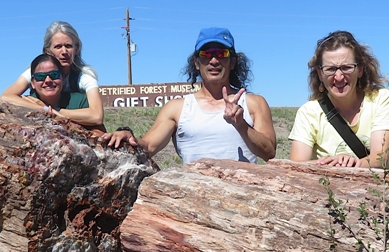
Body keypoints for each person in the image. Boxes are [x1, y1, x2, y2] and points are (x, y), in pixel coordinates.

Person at [101, 27, 276, 164]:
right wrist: (127, 136)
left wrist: (241, 124)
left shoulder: (254, 103)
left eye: (221, 54)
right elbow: (148, 147)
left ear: (232, 62)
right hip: (191, 203)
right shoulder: (177, 108)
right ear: (197, 63)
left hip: (243, 203)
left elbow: (269, 152)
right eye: (206, 54)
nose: (213, 60)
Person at [289, 31, 389, 168]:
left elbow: (380, 158)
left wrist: (355, 164)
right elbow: (296, 165)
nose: (338, 76)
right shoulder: (308, 112)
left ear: (360, 70)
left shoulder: (381, 99)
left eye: (346, 68)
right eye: (330, 69)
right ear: (320, 74)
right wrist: (336, 163)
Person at [0, 21, 104, 127]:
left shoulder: (85, 75)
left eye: (68, 46)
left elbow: (97, 116)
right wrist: (43, 109)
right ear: (48, 51)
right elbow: (6, 97)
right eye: (58, 47)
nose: (64, 51)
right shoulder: (36, 71)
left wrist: (54, 111)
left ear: (76, 49)